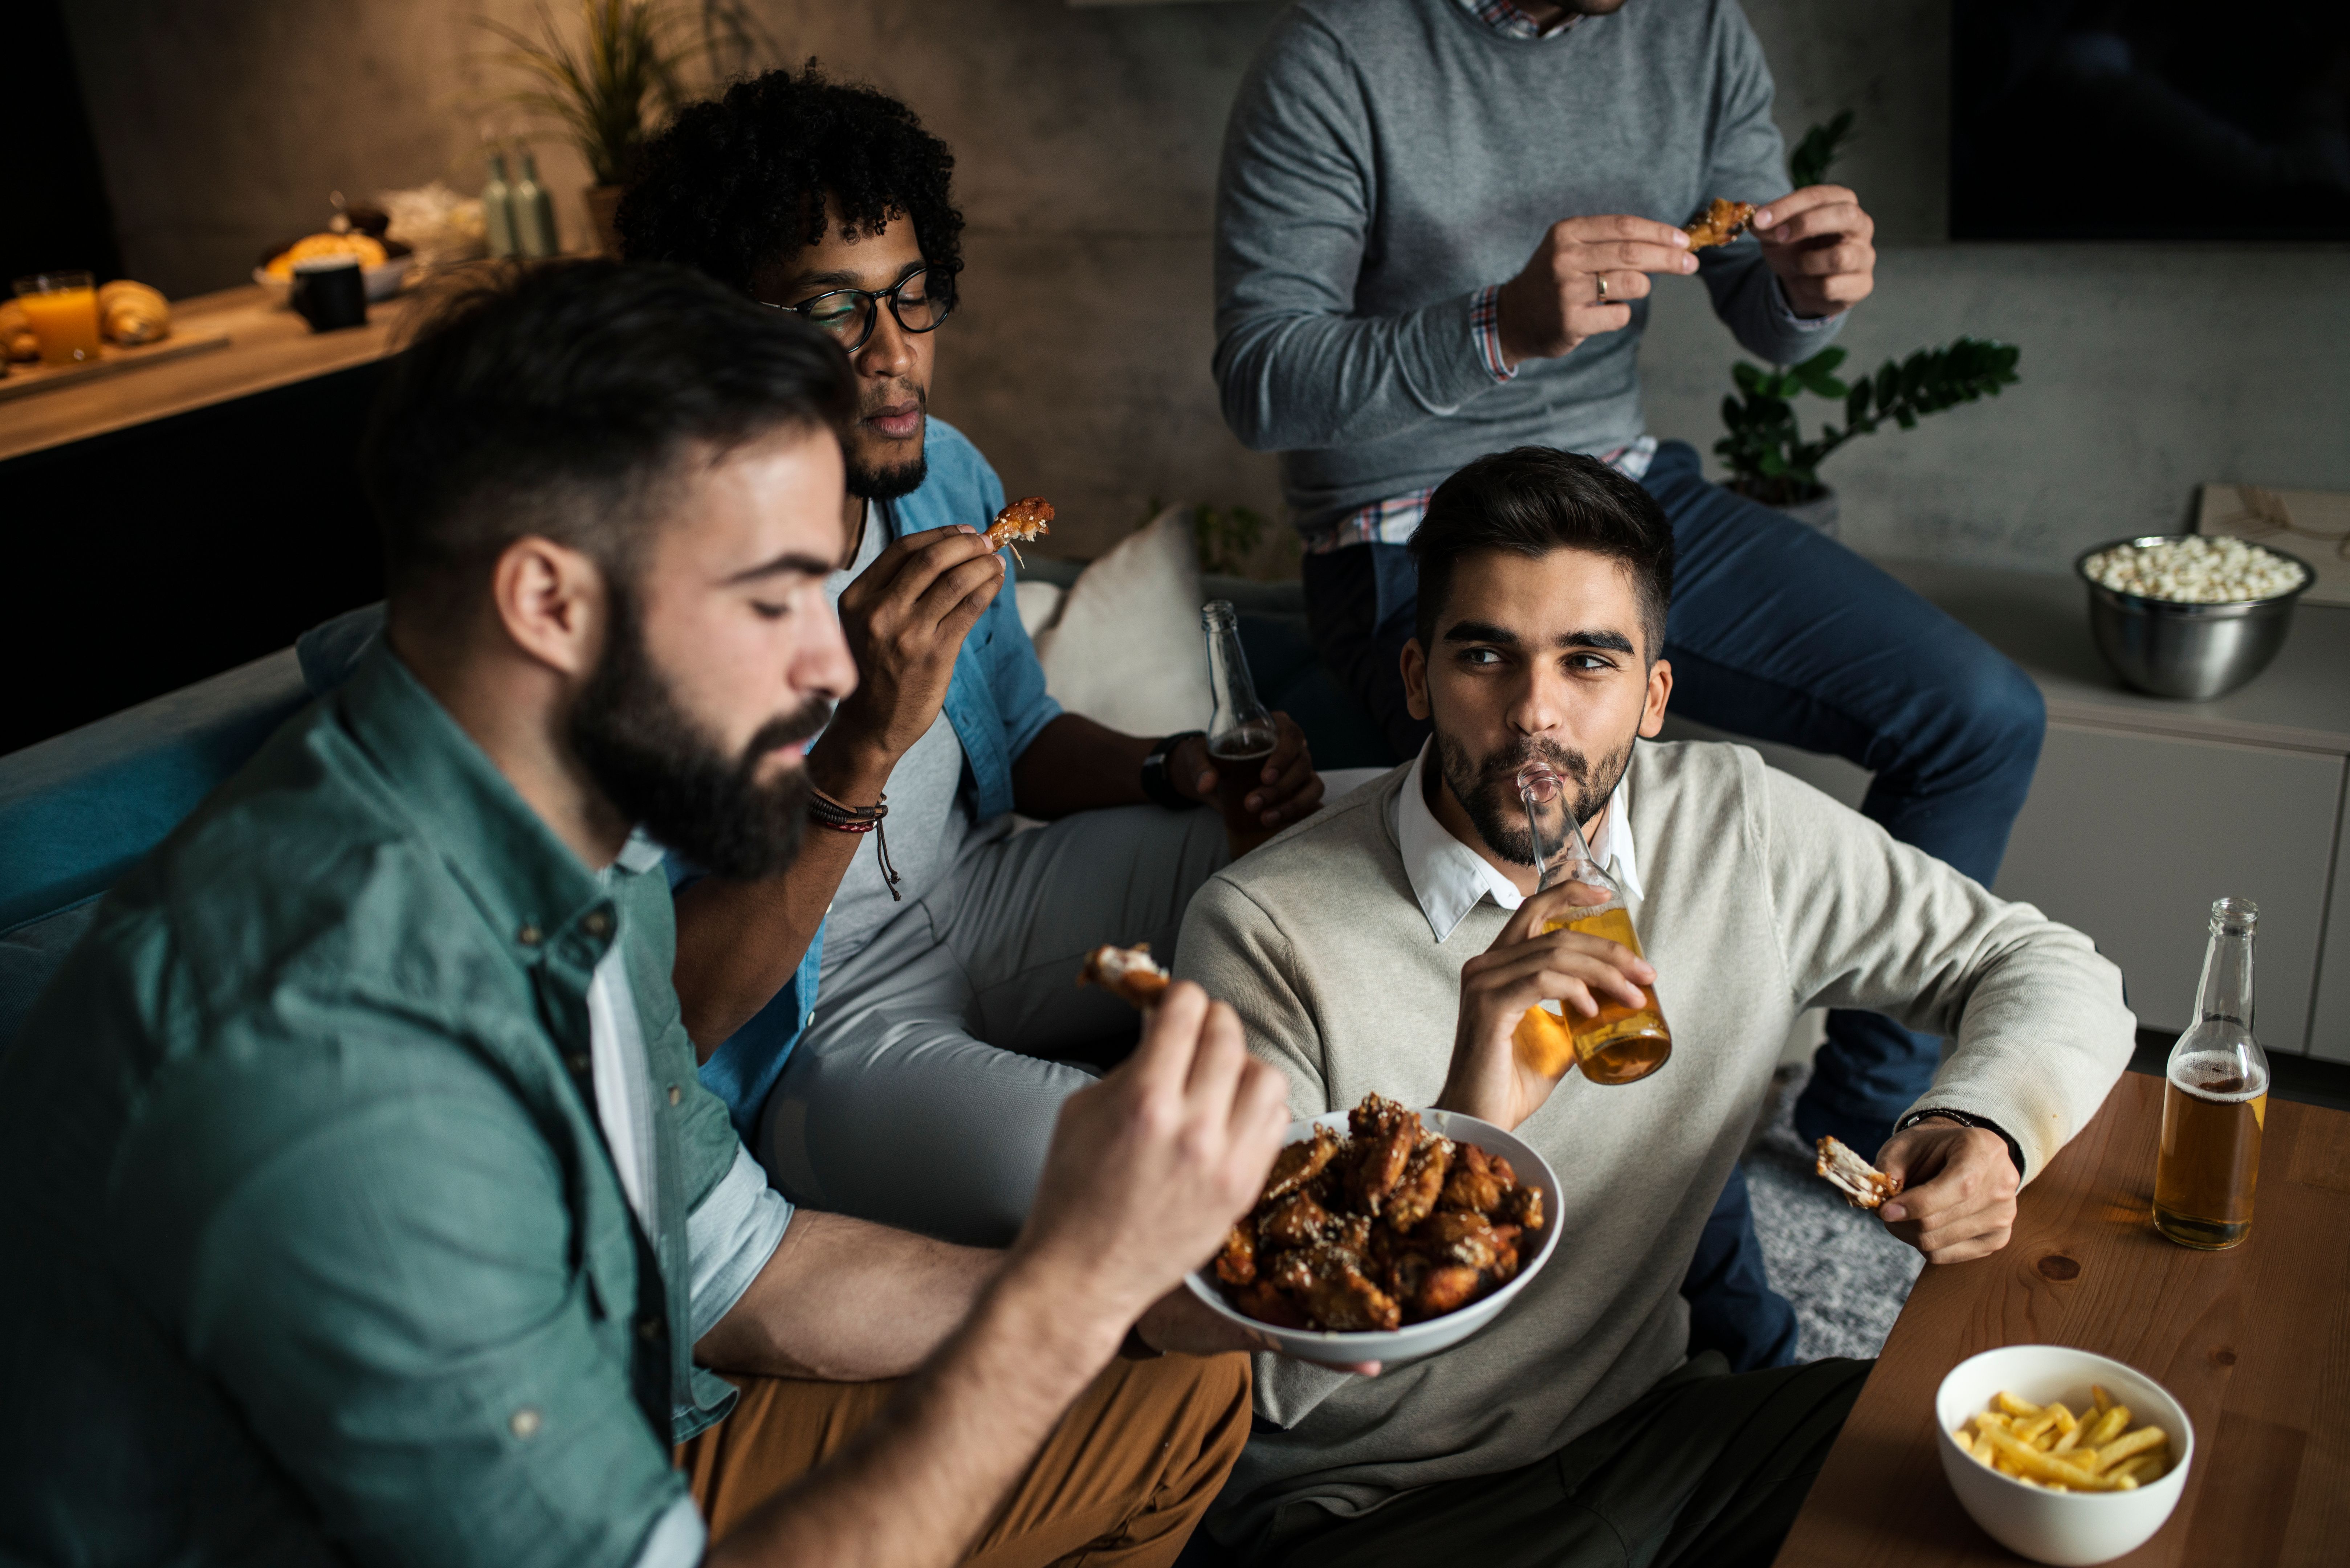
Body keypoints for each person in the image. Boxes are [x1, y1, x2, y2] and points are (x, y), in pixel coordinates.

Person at [0, 261, 1301, 1568]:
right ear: (549, 601)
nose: (831, 666)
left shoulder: (577, 852)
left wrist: (1129, 1293)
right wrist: (1061, 1304)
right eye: (770, 596)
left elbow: (745, 1269)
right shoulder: (334, 1059)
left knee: (1174, 1368)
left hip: (645, 1420)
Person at [1172, 448, 2134, 1567]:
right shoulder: (1260, 928)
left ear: (1654, 695)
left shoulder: (1737, 822)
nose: (1536, 712)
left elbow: (2041, 962)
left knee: (1999, 1486)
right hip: (1383, 1503)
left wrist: (1985, 1122)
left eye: (1589, 662)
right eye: (1486, 655)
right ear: (1418, 680)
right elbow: (1261, 1362)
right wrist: (1466, 1124)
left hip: (1663, 1432)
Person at [1213, 0, 2048, 1212]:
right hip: (1405, 530)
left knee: (1978, 712)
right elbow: (1259, 380)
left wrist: (1808, 290)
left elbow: (1763, 310)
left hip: (1614, 494)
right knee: (1544, 904)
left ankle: (1862, 1110)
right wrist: (1496, 327)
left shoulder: (1693, 30)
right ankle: (1693, 1291)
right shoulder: (1337, 53)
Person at [616, 66, 1325, 1246]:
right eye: (831, 310)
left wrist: (1181, 770)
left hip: (993, 893)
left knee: (1370, 844)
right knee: (1157, 1187)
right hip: (822, 1030)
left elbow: (1028, 737)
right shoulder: (652, 598)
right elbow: (674, 1020)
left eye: (909, 295)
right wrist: (863, 739)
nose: (891, 352)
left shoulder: (942, 472)